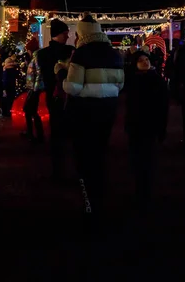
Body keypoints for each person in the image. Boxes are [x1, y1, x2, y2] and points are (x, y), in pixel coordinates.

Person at [64, 14, 124, 221]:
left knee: (84, 150)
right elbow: (120, 85)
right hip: (108, 107)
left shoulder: (81, 55)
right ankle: (101, 184)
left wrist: (61, 76)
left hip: (85, 108)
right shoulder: (115, 54)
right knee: (100, 147)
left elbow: (73, 86)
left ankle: (87, 191)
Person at [125, 51, 168, 210]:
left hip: (150, 125)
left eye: (146, 59)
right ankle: (140, 189)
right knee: (137, 159)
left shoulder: (156, 80)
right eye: (141, 60)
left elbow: (163, 107)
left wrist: (161, 127)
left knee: (148, 159)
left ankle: (146, 192)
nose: (145, 62)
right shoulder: (132, 81)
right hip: (136, 125)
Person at [35, 19, 74, 181]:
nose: (68, 36)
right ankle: (68, 169)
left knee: (56, 132)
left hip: (53, 96)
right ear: (60, 34)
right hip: (67, 95)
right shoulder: (69, 51)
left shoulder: (42, 54)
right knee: (66, 132)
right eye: (65, 33)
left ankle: (58, 169)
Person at [23, 51, 45, 144]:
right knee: (29, 110)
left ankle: (36, 134)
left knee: (30, 110)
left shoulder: (37, 58)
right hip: (32, 87)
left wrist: (35, 87)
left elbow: (39, 73)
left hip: (34, 88)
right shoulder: (35, 58)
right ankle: (32, 132)